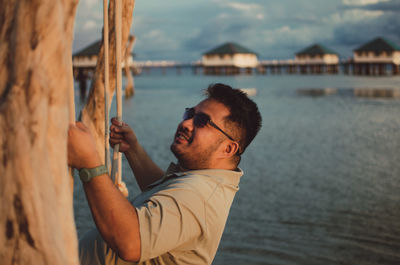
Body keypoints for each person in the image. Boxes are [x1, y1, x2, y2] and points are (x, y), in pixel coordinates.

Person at [68, 83, 262, 265]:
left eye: (202, 121)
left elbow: (130, 243)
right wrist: (133, 150)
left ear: (228, 149)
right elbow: (168, 194)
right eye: (190, 114)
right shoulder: (205, 183)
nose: (186, 123)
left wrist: (89, 164)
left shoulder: (198, 196)